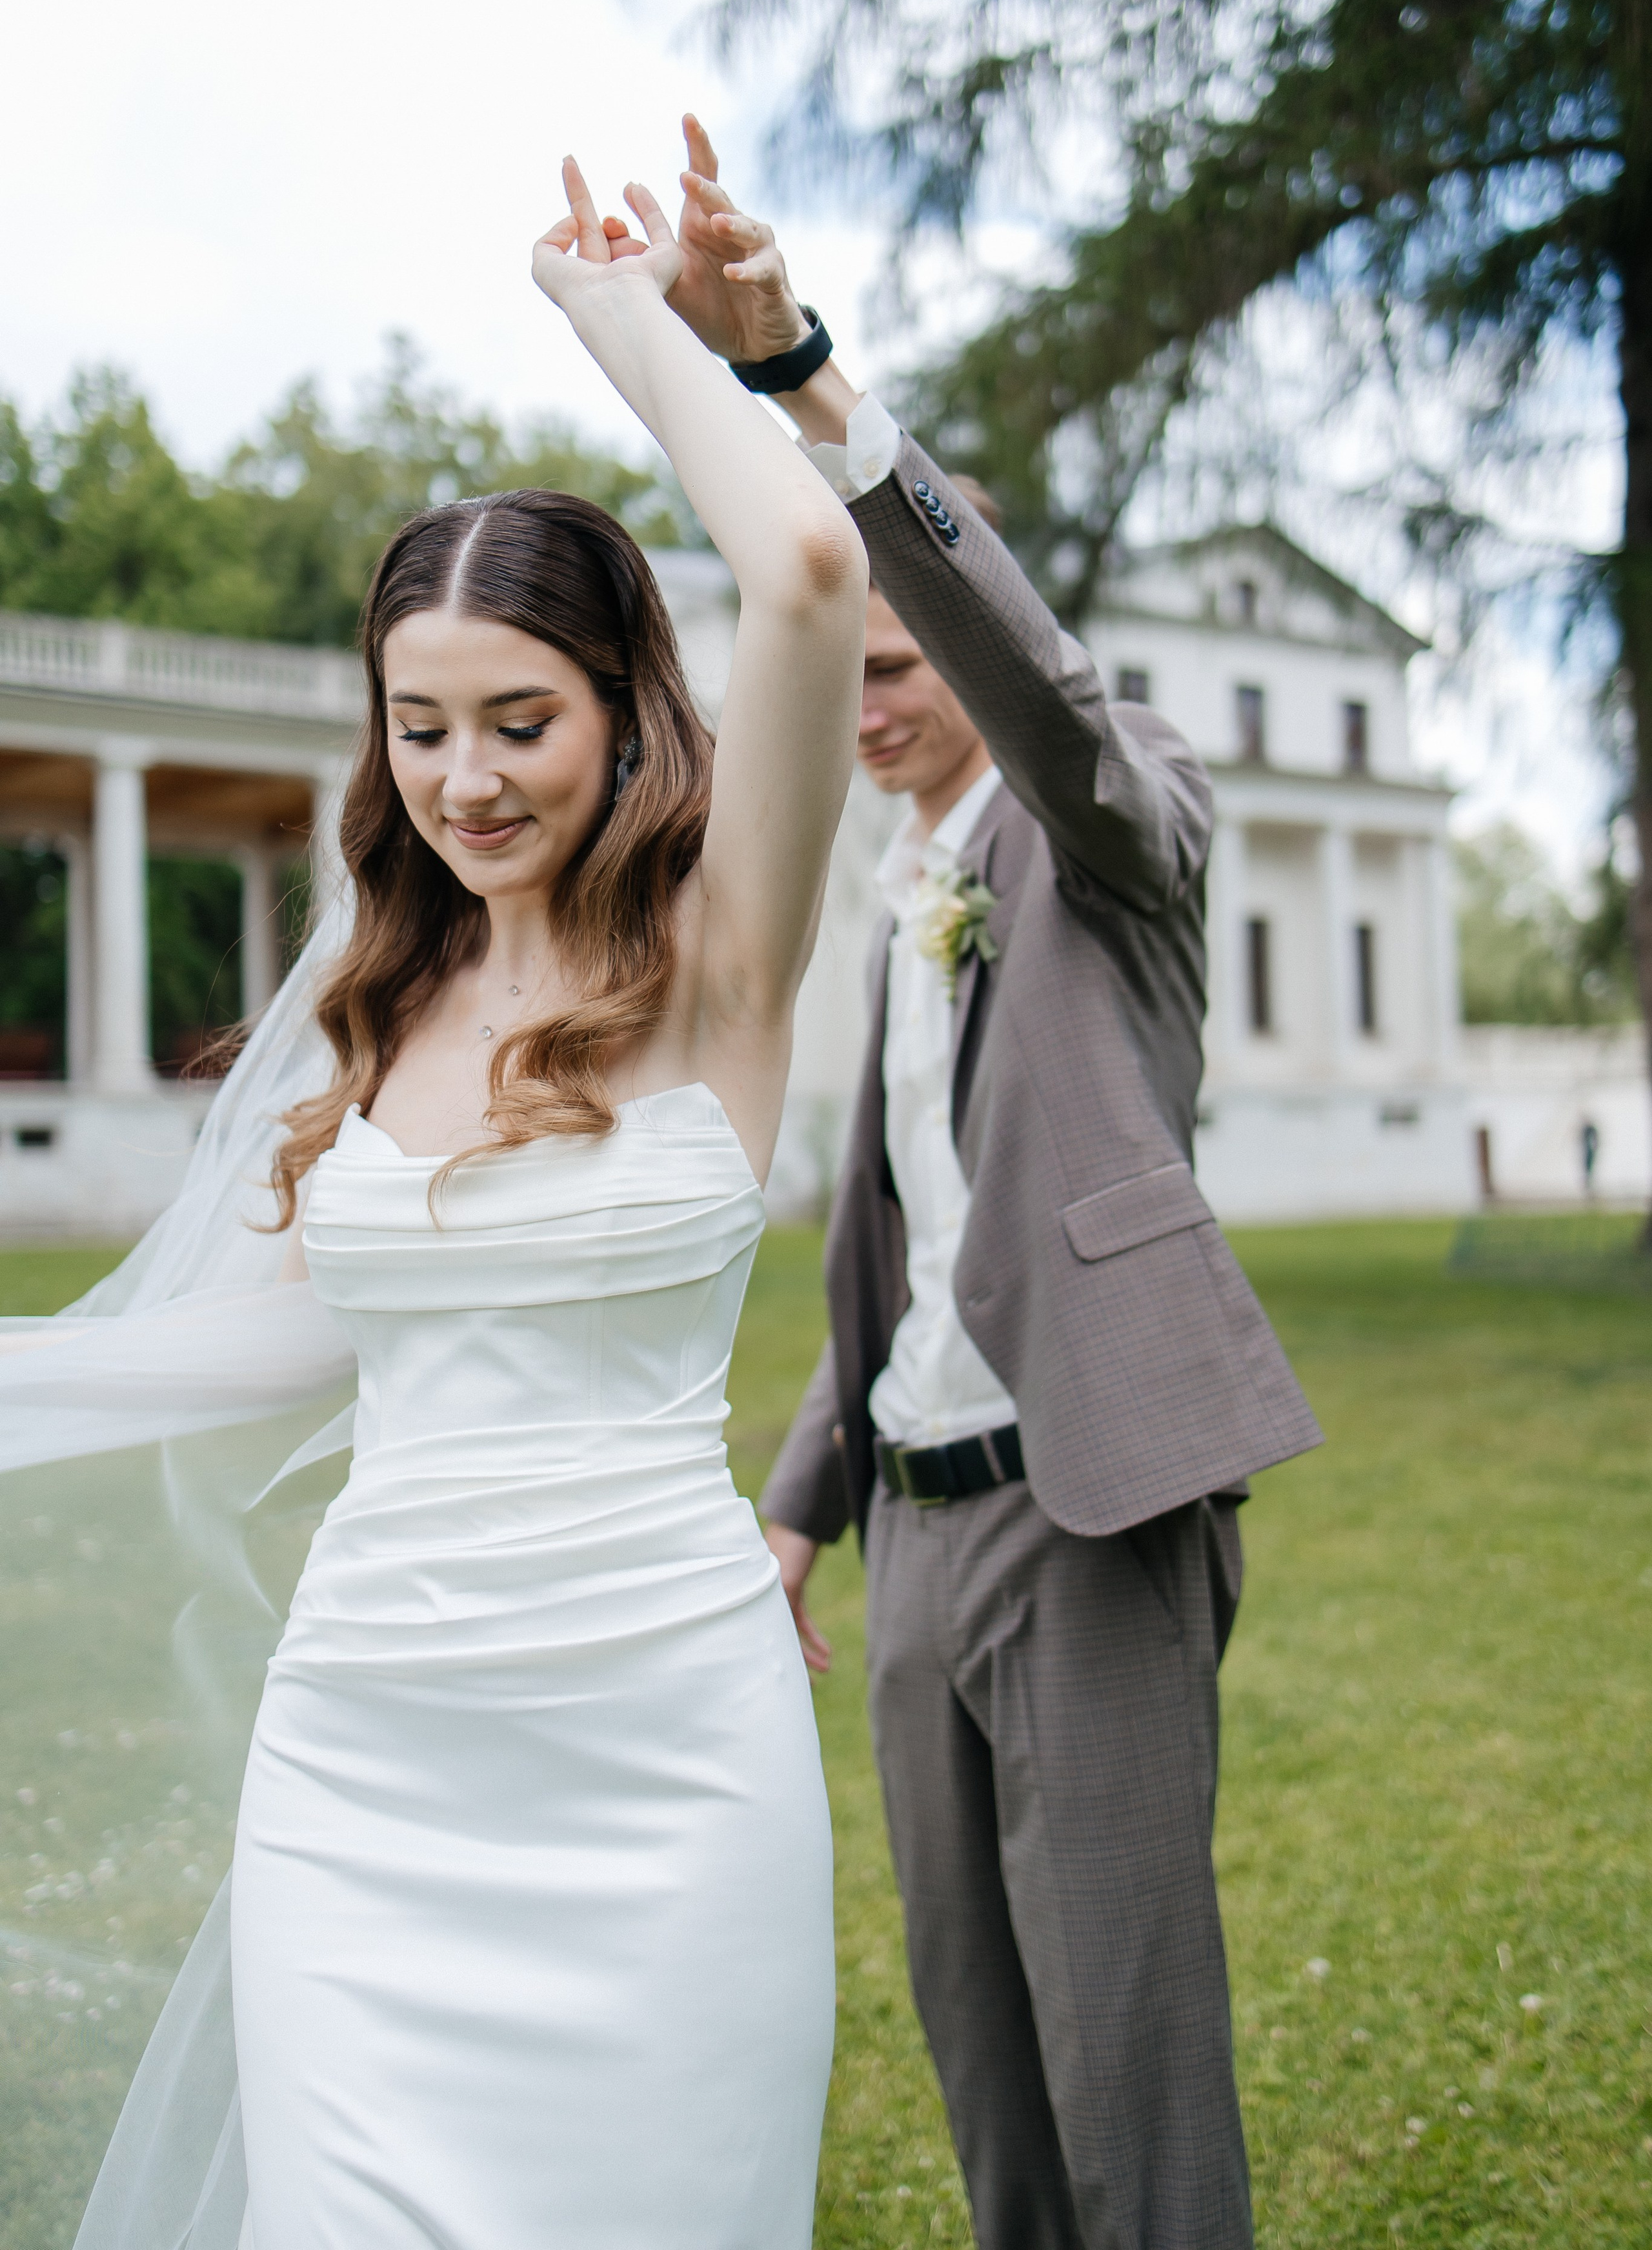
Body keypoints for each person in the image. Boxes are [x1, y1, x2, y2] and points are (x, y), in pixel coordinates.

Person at [0, 154, 867, 2248]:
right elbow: (290, 1340)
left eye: (520, 722)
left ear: (626, 712)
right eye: (420, 728)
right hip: (372, 1752)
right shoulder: (383, 1006)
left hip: (671, 1744)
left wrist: (617, 313)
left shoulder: (725, 964)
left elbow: (810, 569)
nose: (466, 780)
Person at [667, 121, 1324, 2250]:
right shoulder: (896, 900)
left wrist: (804, 379)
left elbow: (1047, 696)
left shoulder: (1116, 820)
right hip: (921, 1539)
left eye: (895, 663)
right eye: (841, 675)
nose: (863, 707)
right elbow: (917, 1250)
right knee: (982, 2050)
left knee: (1129, 2050)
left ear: (966, 640)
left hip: (1090, 1504)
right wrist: (800, 1506)